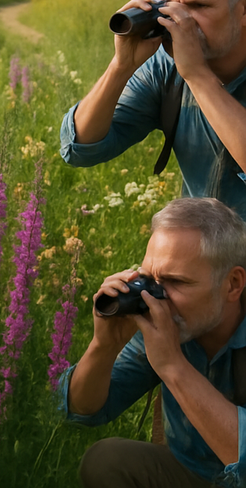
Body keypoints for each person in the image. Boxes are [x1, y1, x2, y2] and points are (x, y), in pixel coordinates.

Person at [59, 196, 246, 487]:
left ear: (233, 284)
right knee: (106, 460)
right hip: (193, 472)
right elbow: (82, 411)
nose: (154, 297)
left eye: (177, 282)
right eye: (148, 279)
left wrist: (173, 366)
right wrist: (103, 346)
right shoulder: (171, 323)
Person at [60, 0, 246, 218]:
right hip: (206, 255)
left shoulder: (188, 69)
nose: (180, 20)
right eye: (170, 5)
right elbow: (81, 149)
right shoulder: (165, 67)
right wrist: (121, 67)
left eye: (199, 6)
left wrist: (197, 76)